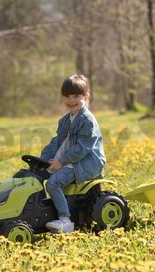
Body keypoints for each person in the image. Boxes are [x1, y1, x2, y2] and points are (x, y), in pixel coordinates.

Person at [40, 74, 106, 233]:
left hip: (85, 162)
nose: (71, 100)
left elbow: (83, 148)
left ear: (86, 96)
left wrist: (61, 161)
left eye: (76, 96)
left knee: (53, 183)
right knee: (36, 176)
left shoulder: (87, 120)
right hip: (68, 160)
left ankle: (65, 220)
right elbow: (56, 142)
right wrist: (42, 160)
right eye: (67, 96)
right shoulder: (64, 120)